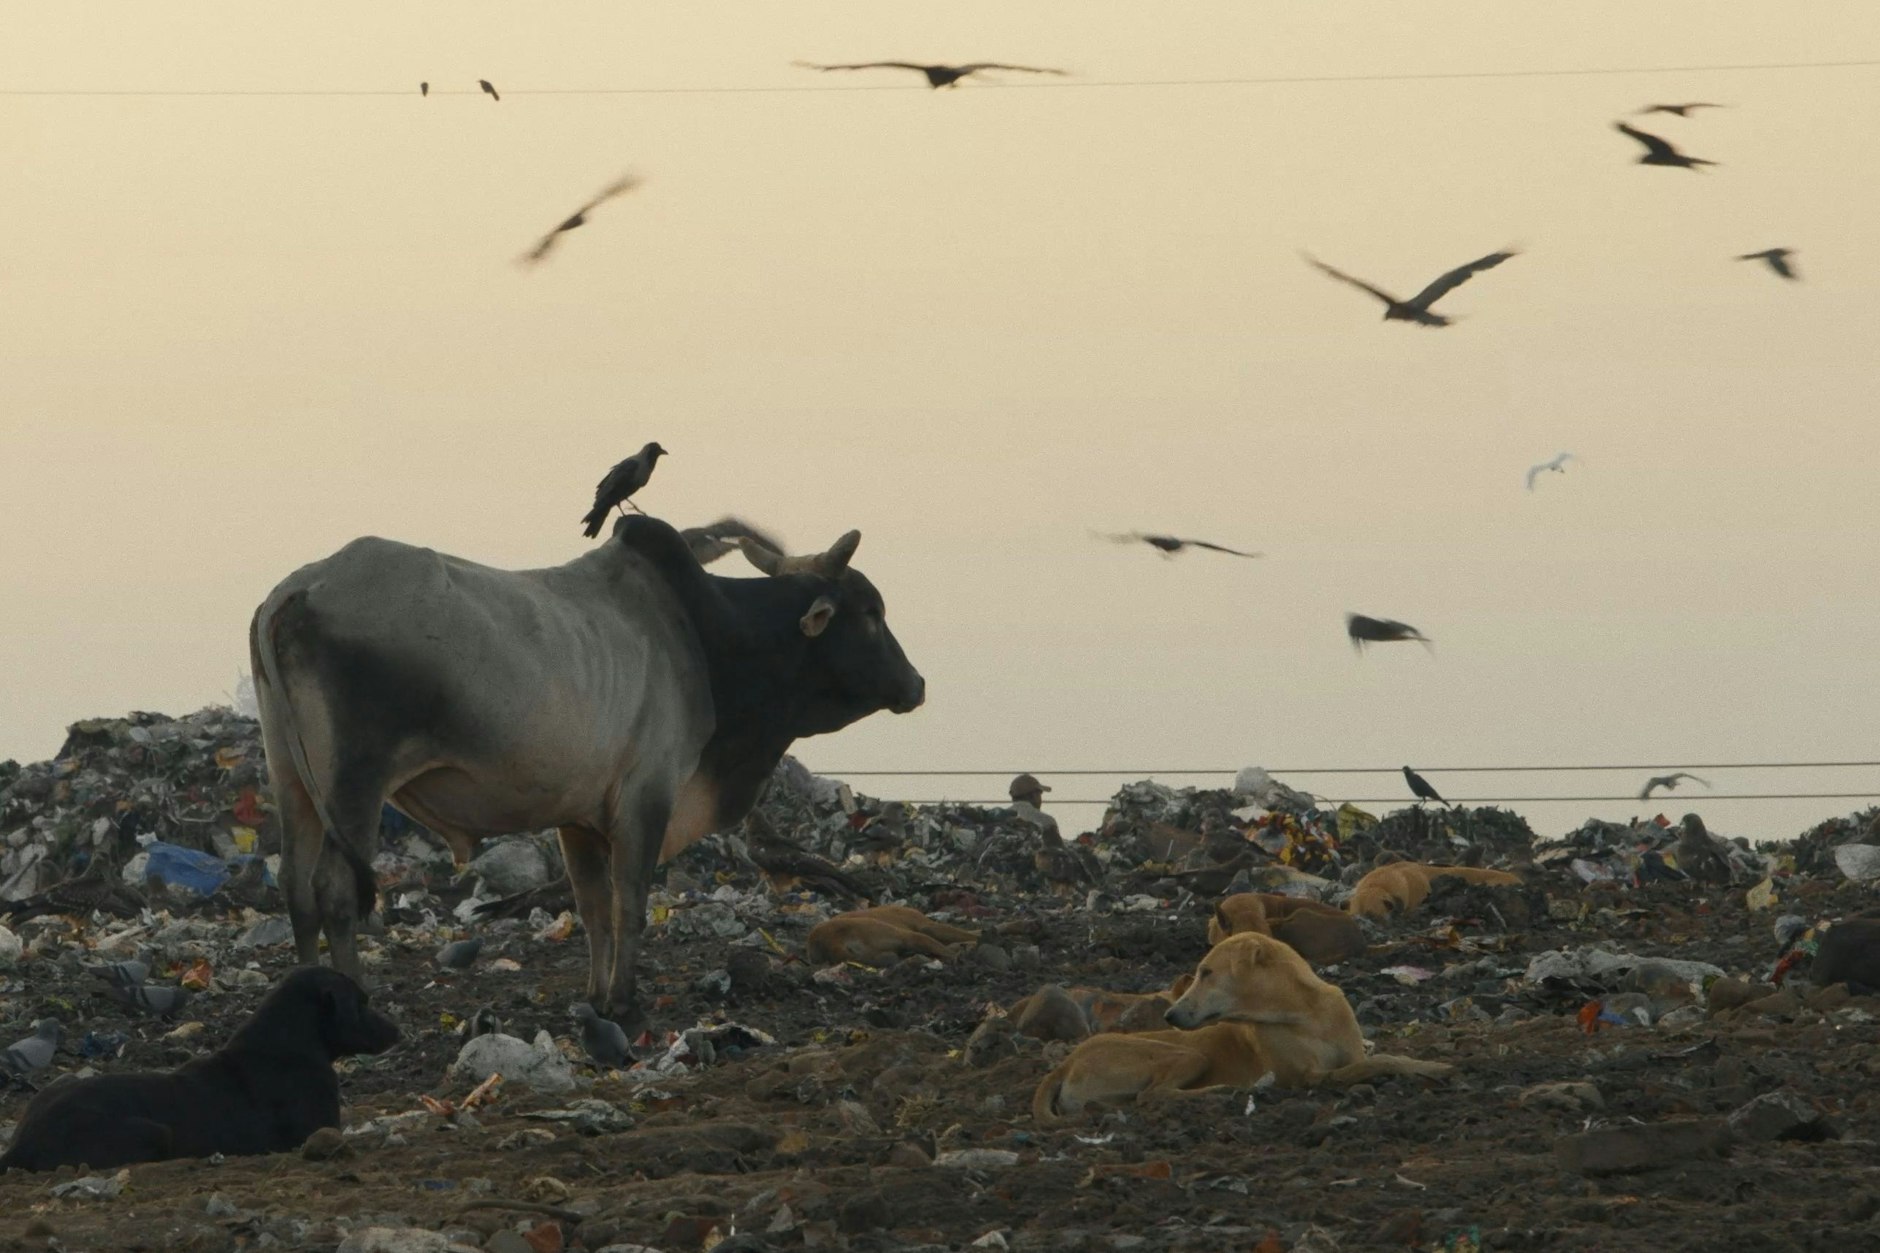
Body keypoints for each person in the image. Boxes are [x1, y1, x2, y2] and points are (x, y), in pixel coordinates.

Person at [1008, 773, 1061, 840]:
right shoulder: (1047, 821)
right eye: (1039, 794)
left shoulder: (1000, 819)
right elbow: (1056, 848)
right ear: (1032, 795)